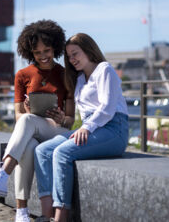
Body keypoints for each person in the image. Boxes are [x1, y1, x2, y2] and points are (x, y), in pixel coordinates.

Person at [0, 20, 75, 222]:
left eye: (47, 50)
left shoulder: (65, 74)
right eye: (38, 53)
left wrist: (62, 118)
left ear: (55, 46)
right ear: (30, 53)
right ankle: (22, 212)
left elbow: (71, 121)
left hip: (58, 132)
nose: (44, 56)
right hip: (32, 131)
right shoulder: (22, 75)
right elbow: (19, 117)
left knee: (29, 121)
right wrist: (29, 110)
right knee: (28, 147)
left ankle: (2, 175)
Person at [34, 33, 129, 222]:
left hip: (114, 129)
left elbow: (108, 108)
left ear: (89, 50)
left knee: (62, 153)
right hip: (92, 128)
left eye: (75, 53)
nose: (72, 59)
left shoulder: (105, 70)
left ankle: (61, 216)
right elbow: (81, 114)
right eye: (69, 56)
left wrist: (87, 128)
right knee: (42, 150)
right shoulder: (79, 79)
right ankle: (46, 215)